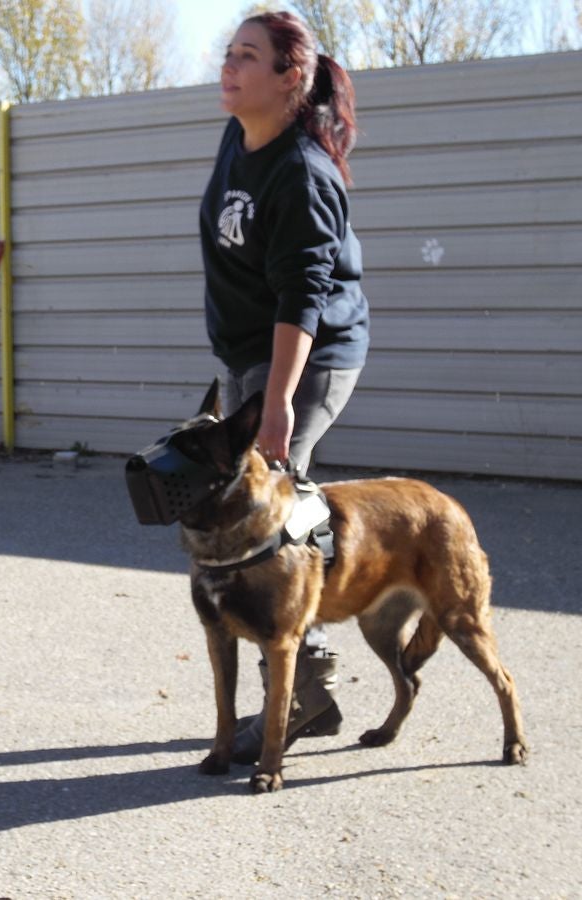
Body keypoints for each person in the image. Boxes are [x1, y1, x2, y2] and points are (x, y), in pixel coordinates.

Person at [198, 11, 370, 761]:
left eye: (247, 57)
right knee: (260, 511)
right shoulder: (239, 137)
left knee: (273, 519)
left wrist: (275, 407)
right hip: (249, 353)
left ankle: (307, 691)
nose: (229, 68)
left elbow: (304, 296)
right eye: (228, 54)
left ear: (289, 77)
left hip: (308, 355)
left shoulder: (302, 171)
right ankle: (298, 675)